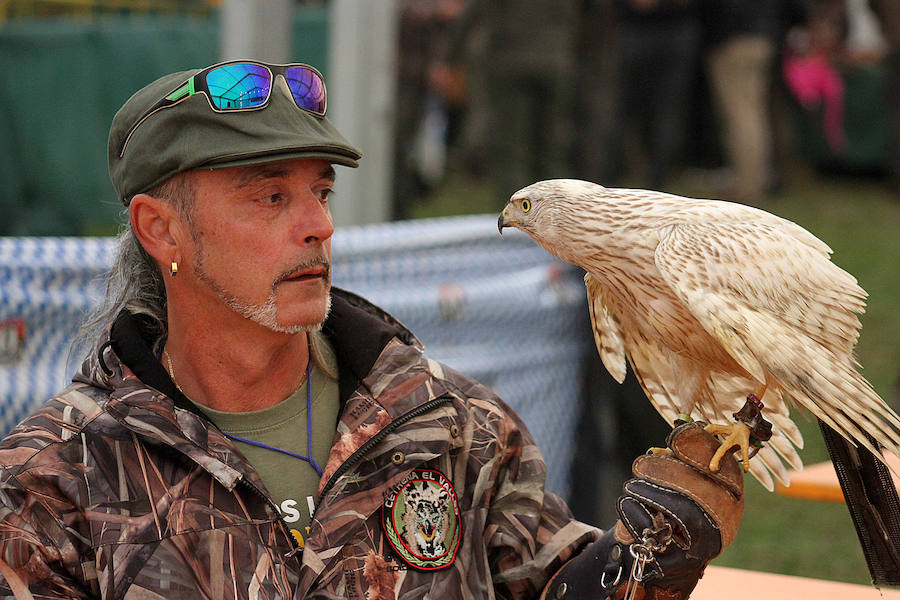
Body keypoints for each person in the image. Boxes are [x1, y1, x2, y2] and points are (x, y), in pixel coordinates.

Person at [0, 59, 744, 599]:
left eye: (320, 192)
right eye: (269, 197)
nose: (318, 226)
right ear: (161, 230)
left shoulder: (449, 423)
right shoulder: (56, 477)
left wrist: (648, 559)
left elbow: (554, 585)